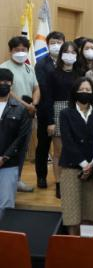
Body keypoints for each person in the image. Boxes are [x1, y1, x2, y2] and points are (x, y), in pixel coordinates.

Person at [58, 77, 93, 236]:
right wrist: (84, 165)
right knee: (72, 213)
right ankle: (73, 246)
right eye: (81, 89)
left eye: (88, 90)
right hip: (71, 167)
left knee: (92, 212)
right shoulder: (65, 113)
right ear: (75, 92)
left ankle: (88, 246)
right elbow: (67, 141)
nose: (85, 92)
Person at [43, 41, 82, 198]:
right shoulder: (52, 73)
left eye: (73, 52)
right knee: (59, 151)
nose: (70, 55)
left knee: (76, 149)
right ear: (61, 54)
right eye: (67, 52)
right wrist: (50, 121)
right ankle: (59, 183)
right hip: (58, 110)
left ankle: (73, 181)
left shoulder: (80, 73)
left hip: (76, 110)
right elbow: (47, 99)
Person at [1, 36, 40, 192]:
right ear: (10, 51)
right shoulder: (4, 68)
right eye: (17, 50)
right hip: (9, 115)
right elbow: (7, 91)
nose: (20, 53)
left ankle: (17, 179)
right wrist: (26, 106)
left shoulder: (29, 68)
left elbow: (36, 88)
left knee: (22, 147)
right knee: (7, 147)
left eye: (23, 50)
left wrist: (34, 104)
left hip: (27, 114)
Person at [35, 31, 64, 189]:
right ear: (47, 44)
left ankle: (62, 178)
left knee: (62, 147)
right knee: (43, 145)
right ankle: (41, 176)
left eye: (59, 42)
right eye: (53, 42)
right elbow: (44, 90)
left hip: (63, 109)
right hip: (45, 110)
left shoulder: (67, 62)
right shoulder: (41, 64)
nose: (56, 45)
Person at [0, 68, 31, 208]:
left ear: (12, 85)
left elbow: (21, 138)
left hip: (9, 163)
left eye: (7, 82)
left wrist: (4, 157)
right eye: (1, 81)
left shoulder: (21, 109)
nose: (4, 84)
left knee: (6, 204)